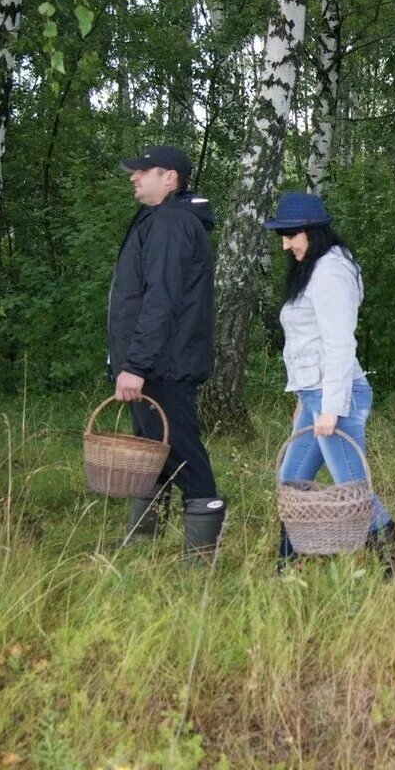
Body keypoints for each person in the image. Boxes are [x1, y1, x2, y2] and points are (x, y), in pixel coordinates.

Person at [264, 192, 395, 577]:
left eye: (291, 235)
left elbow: (341, 344)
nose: (285, 244)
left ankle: (389, 561)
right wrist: (304, 400)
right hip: (315, 396)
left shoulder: (331, 273)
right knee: (291, 483)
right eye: (283, 235)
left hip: (334, 397)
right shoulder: (316, 267)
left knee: (352, 488)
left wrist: (330, 406)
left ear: (314, 231)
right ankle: (286, 565)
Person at [108, 145, 225, 558]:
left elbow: (161, 300)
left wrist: (135, 365)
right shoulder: (158, 220)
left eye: (143, 171)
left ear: (170, 177)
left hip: (164, 366)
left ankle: (201, 557)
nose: (134, 177)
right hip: (157, 363)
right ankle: (143, 543)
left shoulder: (172, 223)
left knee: (181, 452)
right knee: (151, 449)